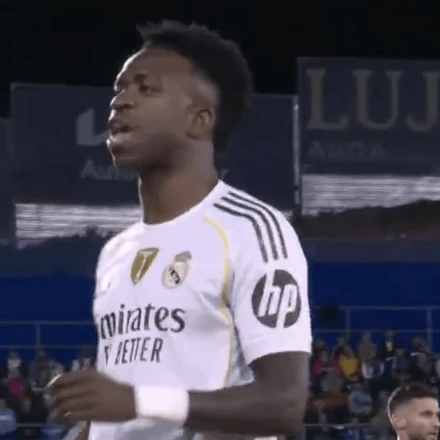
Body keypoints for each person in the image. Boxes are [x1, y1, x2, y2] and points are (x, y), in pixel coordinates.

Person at [49, 20, 311, 440]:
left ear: (198, 121)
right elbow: (123, 409)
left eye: (145, 88)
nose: (120, 101)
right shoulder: (116, 251)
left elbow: (284, 404)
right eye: (120, 88)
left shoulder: (251, 230)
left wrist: (139, 401)